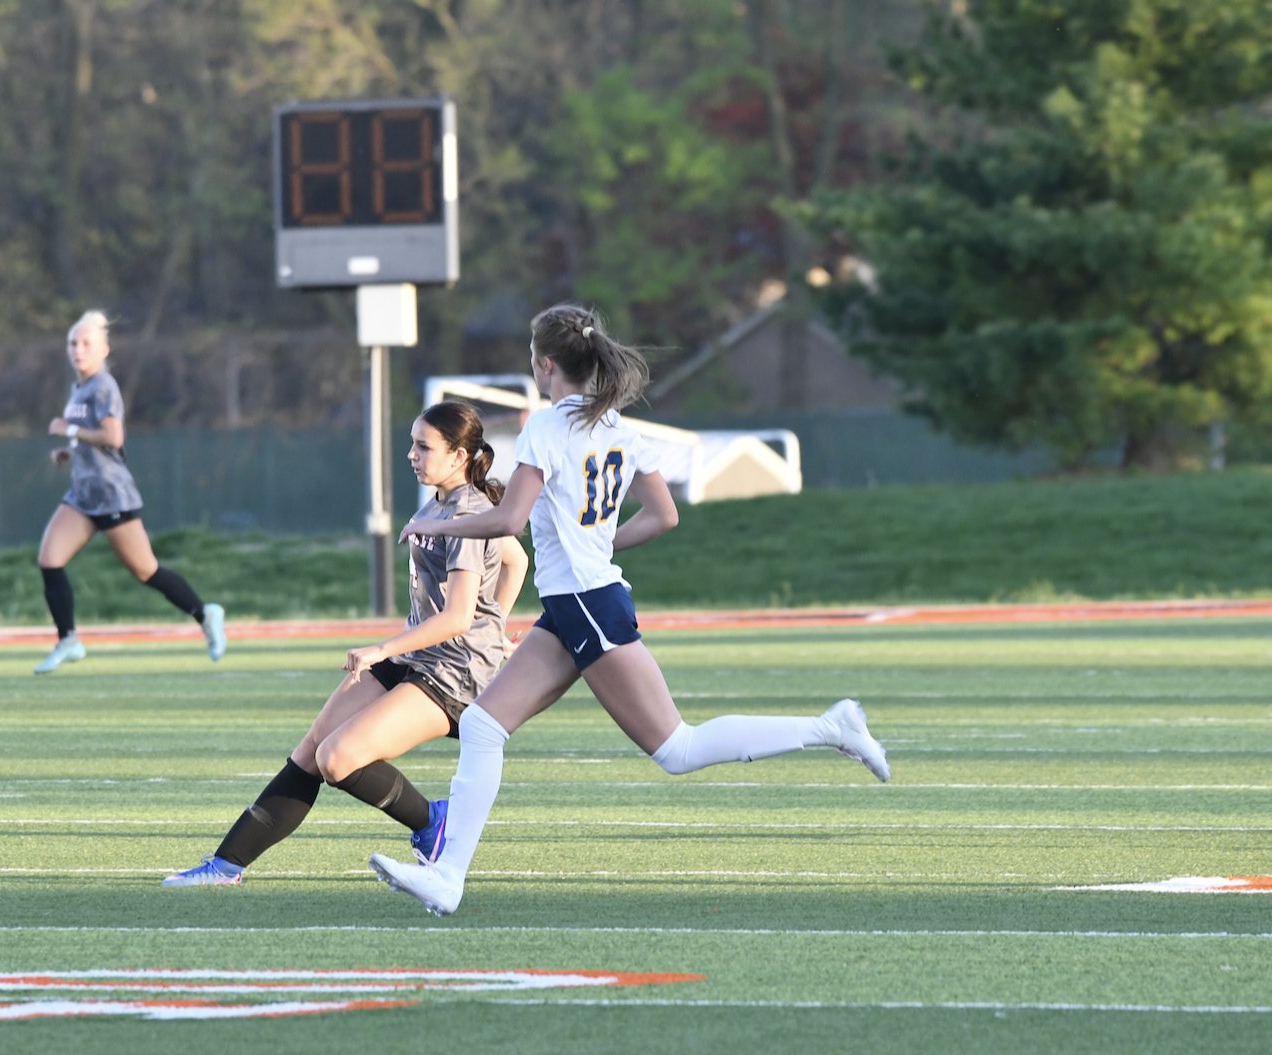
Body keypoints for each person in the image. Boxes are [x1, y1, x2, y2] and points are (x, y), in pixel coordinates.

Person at [369, 303, 890, 916]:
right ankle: (448, 877)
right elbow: (664, 515)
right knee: (484, 726)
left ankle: (831, 727)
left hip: (587, 604)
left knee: (677, 749)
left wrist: (433, 525)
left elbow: (509, 520)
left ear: (546, 364)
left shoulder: (546, 427)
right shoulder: (618, 427)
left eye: (533, 359)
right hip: (575, 605)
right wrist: (597, 544)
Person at [163, 401, 529, 886]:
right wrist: (495, 627)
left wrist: (392, 648)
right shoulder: (444, 502)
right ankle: (225, 866)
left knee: (337, 759)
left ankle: (432, 822)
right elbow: (516, 560)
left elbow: (459, 616)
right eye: (412, 444)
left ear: (459, 455)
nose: (412, 455)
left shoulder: (468, 510)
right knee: (312, 749)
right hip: (419, 656)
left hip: (452, 675)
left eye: (424, 447)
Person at [33, 309, 226, 673]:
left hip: (111, 495)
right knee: (50, 559)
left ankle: (205, 613)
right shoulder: (79, 389)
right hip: (82, 495)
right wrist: (69, 451)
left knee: (145, 570)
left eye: (86, 343)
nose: (78, 350)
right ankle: (68, 640)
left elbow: (113, 437)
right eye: (73, 343)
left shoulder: (103, 386)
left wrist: (69, 431)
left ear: (104, 349)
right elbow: (92, 440)